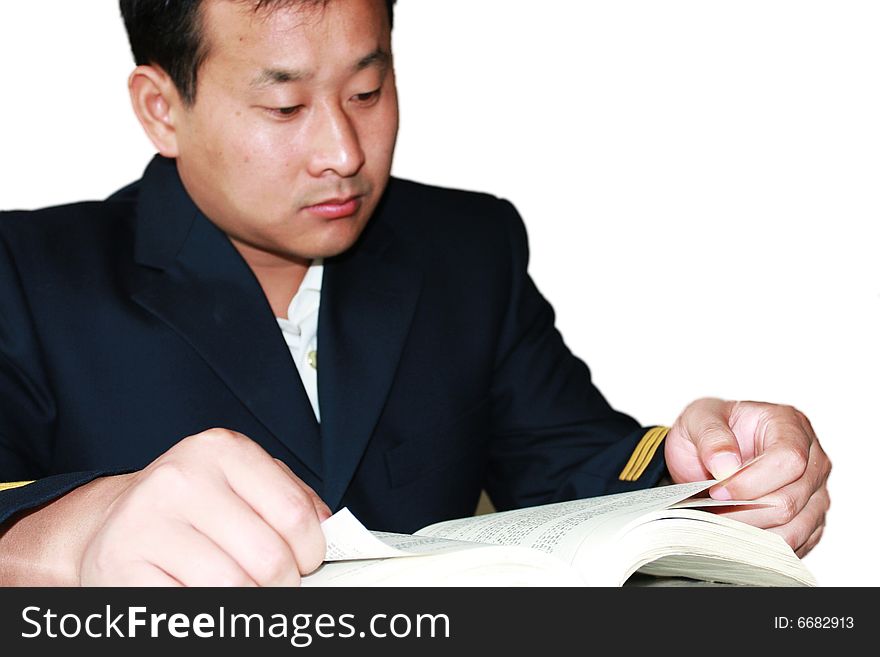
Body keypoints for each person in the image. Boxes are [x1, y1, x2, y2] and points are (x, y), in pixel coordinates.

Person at [0, 0, 830, 586]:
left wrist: (714, 478)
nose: (343, 151)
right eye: (284, 105)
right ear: (160, 108)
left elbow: (577, 467)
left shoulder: (466, 250)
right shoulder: (29, 273)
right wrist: (82, 538)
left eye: (367, 91)